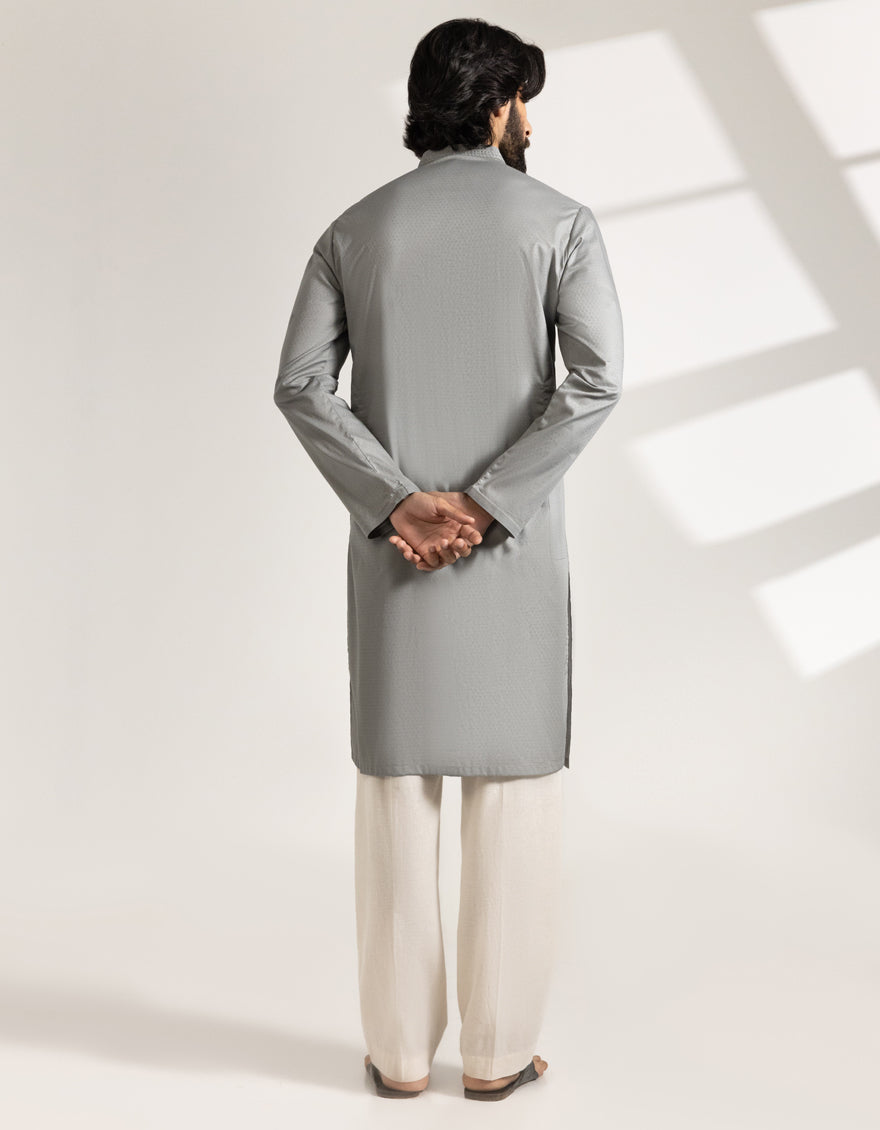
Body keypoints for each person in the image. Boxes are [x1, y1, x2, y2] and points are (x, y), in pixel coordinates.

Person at [273, 17, 624, 1102]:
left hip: (398, 557)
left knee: (394, 801)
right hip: (508, 554)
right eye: (526, 101)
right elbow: (596, 380)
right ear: (498, 103)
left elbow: (300, 385)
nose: (531, 122)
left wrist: (398, 501)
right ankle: (495, 1054)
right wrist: (487, 503)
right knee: (512, 801)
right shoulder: (559, 223)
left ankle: (394, 1056)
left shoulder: (354, 229)